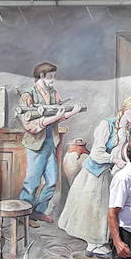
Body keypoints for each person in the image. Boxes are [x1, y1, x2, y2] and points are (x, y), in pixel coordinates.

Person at [58, 97, 131, 257]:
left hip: (110, 172)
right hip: (95, 173)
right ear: (124, 108)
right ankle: (93, 245)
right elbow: (97, 153)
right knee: (95, 208)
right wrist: (114, 160)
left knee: (107, 207)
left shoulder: (129, 129)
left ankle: (99, 242)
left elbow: (124, 149)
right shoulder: (107, 125)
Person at [18, 62, 83, 223]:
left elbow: (58, 115)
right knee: (31, 183)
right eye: (51, 77)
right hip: (35, 145)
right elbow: (29, 125)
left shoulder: (53, 93)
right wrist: (53, 118)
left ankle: (37, 212)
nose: (53, 80)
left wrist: (70, 114)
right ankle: (23, 216)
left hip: (50, 143)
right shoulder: (28, 95)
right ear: (41, 76)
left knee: (52, 182)